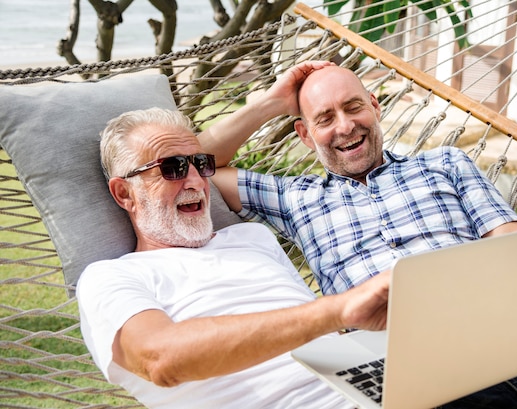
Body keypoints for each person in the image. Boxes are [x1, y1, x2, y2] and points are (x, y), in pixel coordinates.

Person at [200, 62, 517, 408]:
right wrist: (270, 104)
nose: (345, 126)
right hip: (424, 372)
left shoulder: (446, 163)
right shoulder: (294, 197)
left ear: (375, 106)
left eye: (353, 107)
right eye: (325, 119)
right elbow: (195, 161)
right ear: (304, 135)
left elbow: (511, 243)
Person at [76, 106, 391, 409]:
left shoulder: (252, 238)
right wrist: (337, 311)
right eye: (172, 168)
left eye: (201, 164)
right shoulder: (109, 277)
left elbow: (329, 338)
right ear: (124, 194)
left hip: (379, 391)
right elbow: (159, 359)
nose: (197, 181)